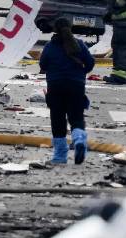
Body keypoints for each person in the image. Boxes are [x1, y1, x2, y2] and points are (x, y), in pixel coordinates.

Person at [39, 17, 95, 165]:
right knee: (76, 116)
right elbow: (90, 63)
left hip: (55, 86)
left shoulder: (50, 47)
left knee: (57, 120)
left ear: (54, 30)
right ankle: (79, 139)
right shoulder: (80, 45)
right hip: (76, 85)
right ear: (70, 28)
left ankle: (60, 156)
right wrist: (81, 73)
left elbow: (43, 65)